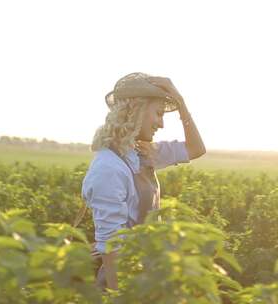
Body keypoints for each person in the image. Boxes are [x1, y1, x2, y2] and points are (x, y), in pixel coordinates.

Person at [81, 72, 206, 291]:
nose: (161, 124)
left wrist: (181, 103)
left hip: (147, 278)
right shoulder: (109, 168)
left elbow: (196, 149)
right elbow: (112, 247)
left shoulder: (142, 151)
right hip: (125, 282)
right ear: (136, 110)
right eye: (158, 113)